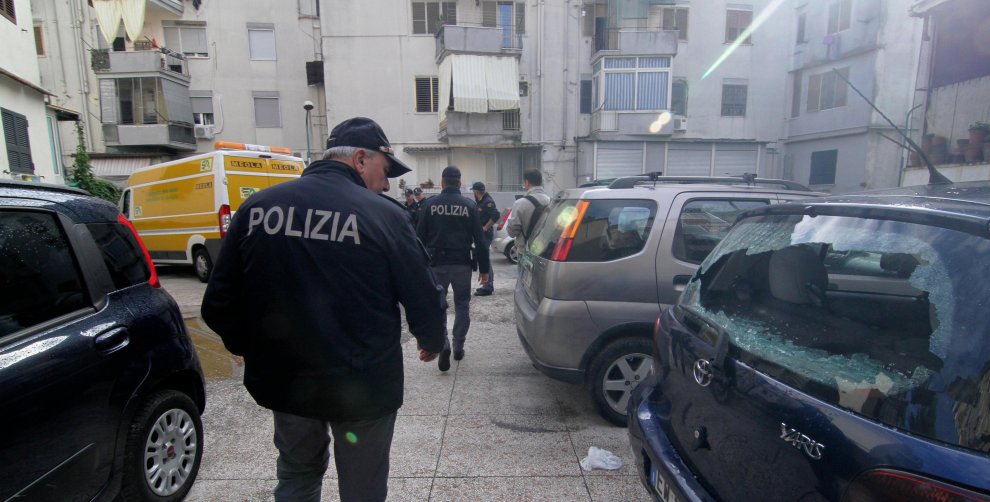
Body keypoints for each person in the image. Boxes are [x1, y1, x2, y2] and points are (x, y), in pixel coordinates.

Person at [201, 117, 446, 502]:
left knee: (297, 475)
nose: (386, 184)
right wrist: (431, 337)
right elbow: (421, 291)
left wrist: (248, 345)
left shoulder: (258, 208)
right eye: (385, 172)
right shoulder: (385, 215)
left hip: (288, 380)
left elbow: (218, 301)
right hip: (363, 385)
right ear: (361, 159)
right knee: (363, 489)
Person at [416, 166, 490, 366]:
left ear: (442, 182)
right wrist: (484, 270)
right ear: (459, 183)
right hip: (462, 265)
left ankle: (444, 343)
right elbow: (481, 241)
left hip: (436, 265)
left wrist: (418, 268)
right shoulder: (470, 206)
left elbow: (418, 240)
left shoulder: (429, 205)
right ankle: (458, 347)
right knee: (462, 305)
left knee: (438, 307)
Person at [506, 168, 551, 259]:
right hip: (545, 252)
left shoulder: (520, 203)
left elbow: (512, 232)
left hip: (525, 251)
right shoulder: (551, 202)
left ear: (526, 182)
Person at [471, 181, 500, 296]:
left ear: (476, 191)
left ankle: (488, 286)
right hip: (481, 234)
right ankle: (486, 284)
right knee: (482, 257)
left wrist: (485, 227)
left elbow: (496, 215)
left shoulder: (487, 202)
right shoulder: (481, 201)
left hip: (485, 234)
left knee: (485, 258)